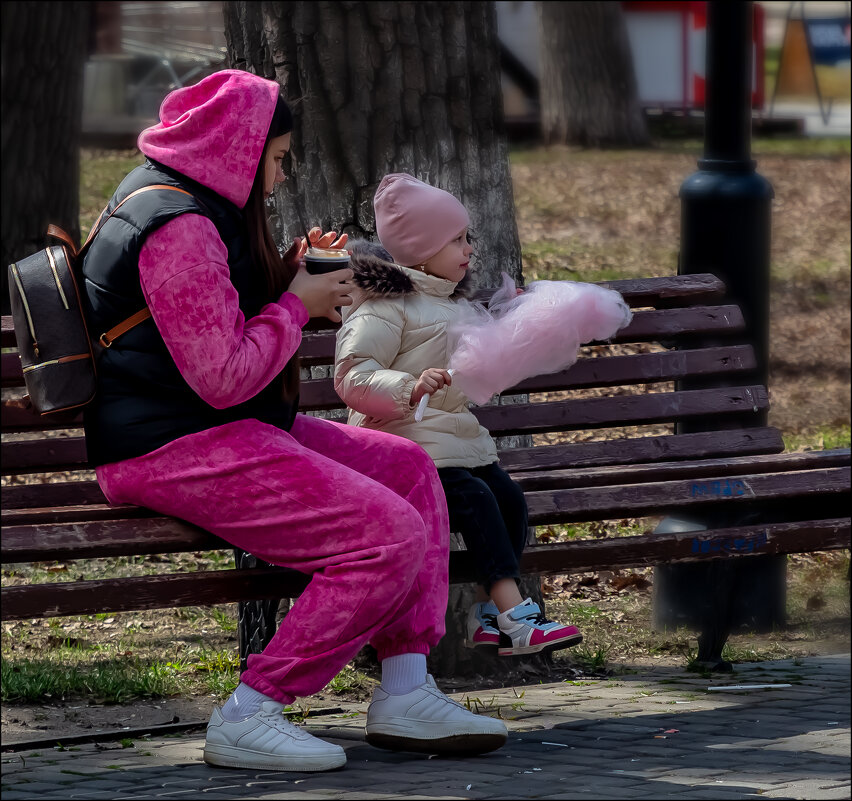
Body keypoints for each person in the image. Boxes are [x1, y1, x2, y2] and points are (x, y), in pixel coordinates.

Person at [79, 71, 507, 773]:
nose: (278, 179)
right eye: (277, 160)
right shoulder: (178, 225)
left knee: (408, 469)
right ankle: (251, 711)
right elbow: (221, 378)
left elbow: (209, 329)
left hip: (217, 427)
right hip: (171, 445)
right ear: (240, 151)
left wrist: (288, 274)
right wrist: (295, 307)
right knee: (385, 536)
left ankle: (404, 689)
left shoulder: (193, 200)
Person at [334, 174, 584, 659]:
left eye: (467, 238)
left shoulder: (448, 304)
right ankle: (517, 619)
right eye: (457, 239)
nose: (469, 249)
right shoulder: (383, 308)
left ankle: (487, 615)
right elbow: (353, 376)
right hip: (400, 451)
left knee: (508, 498)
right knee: (474, 501)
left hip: (450, 444)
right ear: (420, 249)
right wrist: (409, 386)